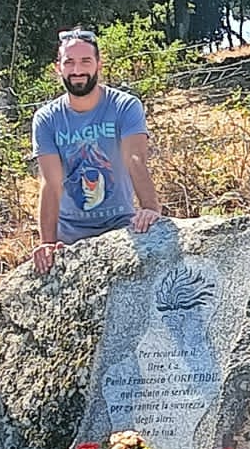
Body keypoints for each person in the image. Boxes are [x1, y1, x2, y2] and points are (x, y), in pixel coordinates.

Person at [28, 28, 162, 273]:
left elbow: (135, 159)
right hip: (69, 235)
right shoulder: (46, 118)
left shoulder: (124, 106)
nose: (77, 70)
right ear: (58, 68)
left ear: (99, 64)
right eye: (69, 62)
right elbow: (51, 182)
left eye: (85, 61)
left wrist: (150, 208)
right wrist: (47, 243)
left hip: (121, 225)